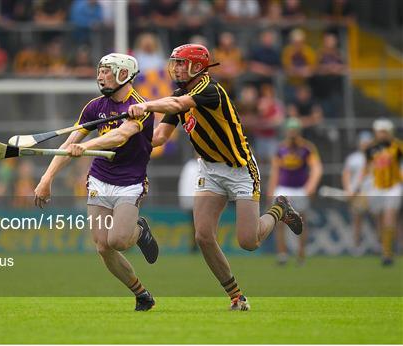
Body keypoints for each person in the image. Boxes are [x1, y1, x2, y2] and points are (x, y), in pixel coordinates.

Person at [128, 44, 303, 311]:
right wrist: (125, 141)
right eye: (173, 63)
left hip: (240, 169)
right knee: (203, 236)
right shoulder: (178, 95)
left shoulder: (210, 90)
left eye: (180, 63)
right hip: (209, 170)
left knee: (249, 241)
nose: (175, 68)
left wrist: (144, 106)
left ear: (197, 67)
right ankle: (236, 296)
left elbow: (177, 104)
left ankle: (280, 208)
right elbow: (160, 138)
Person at [34, 53, 158, 311]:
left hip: (130, 182)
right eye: (99, 70)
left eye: (107, 71)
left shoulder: (139, 107)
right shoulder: (94, 107)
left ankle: (140, 230)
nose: (100, 76)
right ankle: (141, 294)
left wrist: (86, 146)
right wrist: (47, 179)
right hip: (100, 180)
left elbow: (120, 136)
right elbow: (69, 143)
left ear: (124, 74)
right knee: (103, 246)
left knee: (119, 240)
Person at [267, 118, 323, 265]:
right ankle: (282, 254)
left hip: (300, 189)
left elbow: (316, 168)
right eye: (290, 130)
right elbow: (275, 172)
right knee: (279, 222)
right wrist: (271, 190)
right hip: (283, 188)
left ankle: (301, 254)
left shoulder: (307, 148)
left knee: (301, 222)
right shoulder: (280, 149)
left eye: (295, 130)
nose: (292, 133)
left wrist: (311, 186)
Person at [356, 118, 402, 266]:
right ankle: (385, 249)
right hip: (376, 188)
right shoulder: (370, 149)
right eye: (378, 132)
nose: (381, 134)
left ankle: (387, 253)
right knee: (380, 221)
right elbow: (366, 169)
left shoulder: (398, 147)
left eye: (383, 131)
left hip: (393, 187)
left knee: (389, 216)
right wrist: (359, 188)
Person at [342, 131, 374, 256]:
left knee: (379, 220)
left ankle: (384, 246)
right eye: (363, 142)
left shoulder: (377, 157)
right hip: (357, 194)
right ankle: (356, 247)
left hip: (374, 193)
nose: (365, 145)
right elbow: (346, 174)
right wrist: (349, 190)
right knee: (357, 221)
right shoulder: (353, 158)